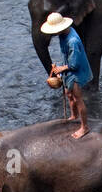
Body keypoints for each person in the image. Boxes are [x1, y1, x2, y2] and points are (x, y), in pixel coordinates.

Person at [40, 11, 94, 139]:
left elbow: (74, 65)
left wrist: (60, 69)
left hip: (75, 71)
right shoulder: (63, 35)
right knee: (68, 94)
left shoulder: (73, 41)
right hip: (68, 67)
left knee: (77, 99)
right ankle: (74, 116)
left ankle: (84, 127)